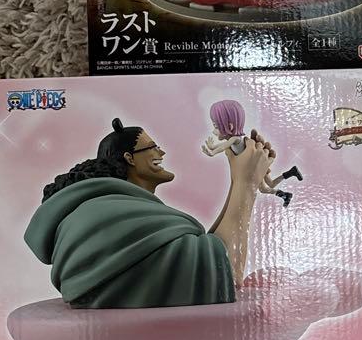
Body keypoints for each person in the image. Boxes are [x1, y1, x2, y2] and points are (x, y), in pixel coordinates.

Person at [24, 118, 275, 309]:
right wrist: (247, 183)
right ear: (130, 158)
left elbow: (208, 254)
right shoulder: (108, 215)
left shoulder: (115, 212)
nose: (161, 153)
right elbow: (224, 273)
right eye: (152, 147)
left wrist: (239, 176)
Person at [202, 99, 303, 206]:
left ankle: (287, 189)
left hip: (255, 166)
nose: (214, 131)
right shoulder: (234, 139)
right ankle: (289, 182)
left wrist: (213, 152)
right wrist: (212, 147)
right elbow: (223, 145)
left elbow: (223, 146)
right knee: (268, 185)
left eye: (216, 127)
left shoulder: (235, 139)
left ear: (230, 126)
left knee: (267, 186)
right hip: (255, 165)